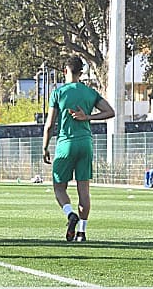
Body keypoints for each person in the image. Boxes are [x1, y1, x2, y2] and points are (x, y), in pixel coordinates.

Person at [42, 56, 115, 242]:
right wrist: (88, 117)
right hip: (85, 143)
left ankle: (70, 214)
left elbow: (49, 124)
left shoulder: (58, 93)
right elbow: (110, 112)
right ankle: (82, 233)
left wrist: (45, 147)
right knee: (84, 190)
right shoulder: (89, 92)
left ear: (64, 71)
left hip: (65, 144)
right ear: (81, 73)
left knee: (59, 187)